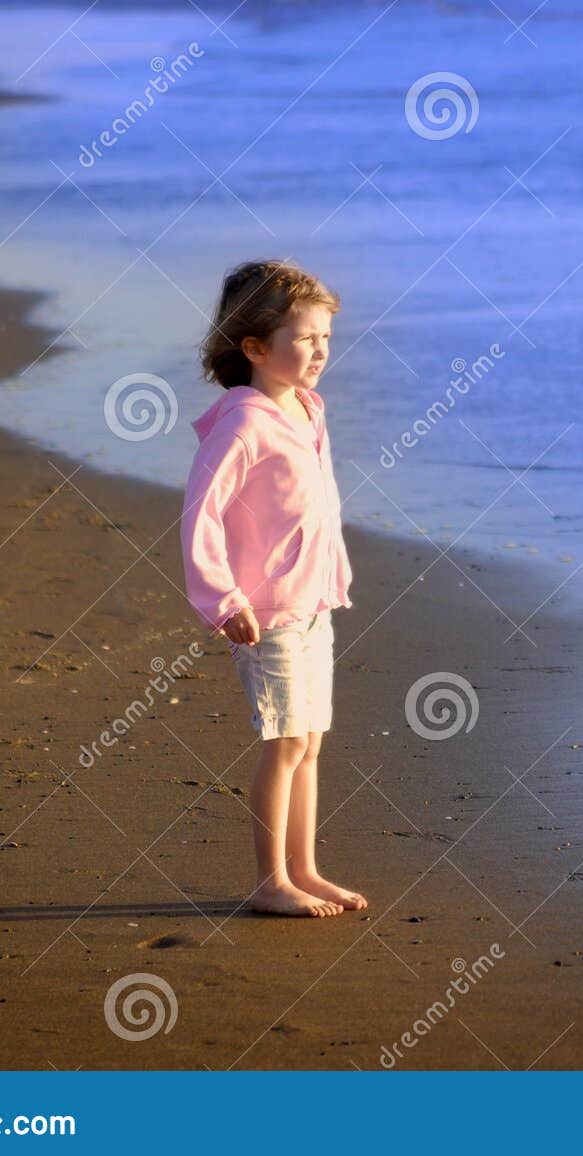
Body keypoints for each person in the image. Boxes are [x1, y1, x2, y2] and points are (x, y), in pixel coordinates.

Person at [181, 258, 367, 918]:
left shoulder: (307, 407)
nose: (319, 351)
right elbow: (200, 511)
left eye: (325, 337)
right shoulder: (243, 422)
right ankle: (270, 879)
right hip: (266, 610)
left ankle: (305, 868)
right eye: (303, 338)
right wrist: (222, 599)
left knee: (310, 740)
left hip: (312, 601)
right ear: (255, 346)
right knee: (284, 742)